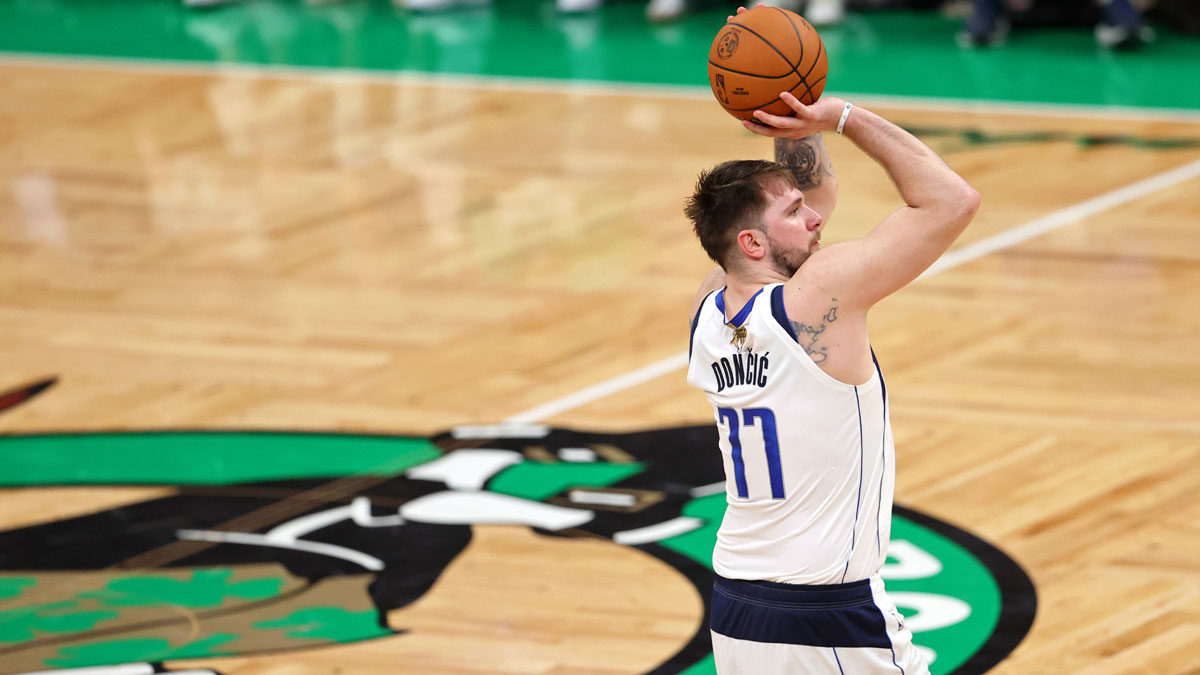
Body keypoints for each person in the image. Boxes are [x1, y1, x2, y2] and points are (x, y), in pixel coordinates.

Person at [683, 12, 980, 672]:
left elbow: (808, 193)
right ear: (755, 243)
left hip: (736, 607)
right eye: (794, 214)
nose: (817, 216)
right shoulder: (815, 296)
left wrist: (788, 122)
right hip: (826, 611)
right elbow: (949, 200)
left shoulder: (710, 309)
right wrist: (840, 116)